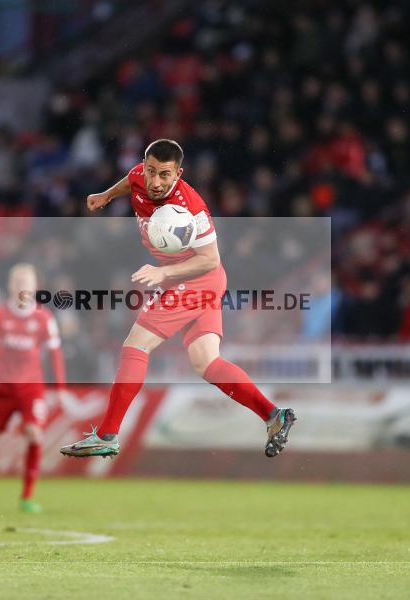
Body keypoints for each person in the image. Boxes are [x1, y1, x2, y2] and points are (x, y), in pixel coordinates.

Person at [60, 139, 296, 459]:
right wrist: (105, 195)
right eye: (152, 172)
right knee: (207, 362)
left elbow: (210, 259)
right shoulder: (139, 176)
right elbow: (129, 182)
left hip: (197, 279)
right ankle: (273, 415)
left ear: (178, 173)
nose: (155, 182)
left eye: (164, 175)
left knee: (136, 345)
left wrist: (164, 275)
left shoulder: (192, 208)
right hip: (196, 281)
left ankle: (107, 434)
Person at [0, 264, 66, 513]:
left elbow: (55, 353)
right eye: (18, 281)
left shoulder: (44, 317)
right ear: (11, 285)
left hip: (31, 388)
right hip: (1, 388)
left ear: (35, 286)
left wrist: (60, 386)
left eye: (27, 281)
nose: (23, 285)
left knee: (35, 434)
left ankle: (27, 497)